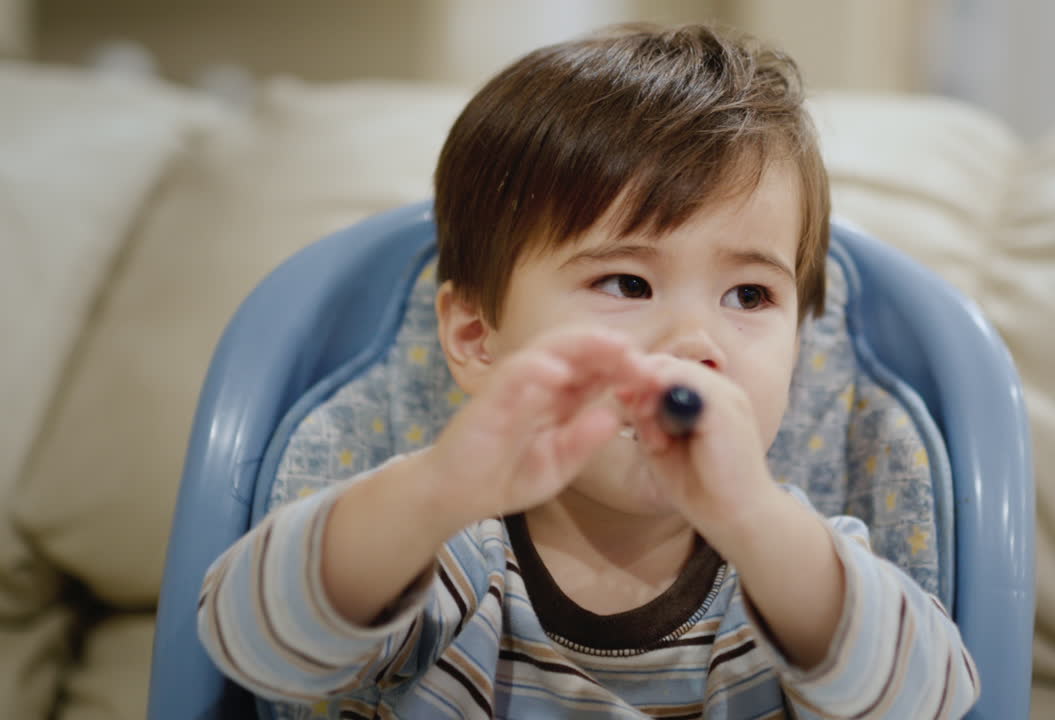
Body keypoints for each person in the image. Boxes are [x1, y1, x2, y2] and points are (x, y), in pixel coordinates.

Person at [197, 23, 979, 719]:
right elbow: (254, 649)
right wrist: (437, 489)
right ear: (477, 336)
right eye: (627, 284)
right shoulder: (446, 554)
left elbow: (934, 701)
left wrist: (757, 521)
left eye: (749, 294)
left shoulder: (797, 568)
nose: (694, 341)